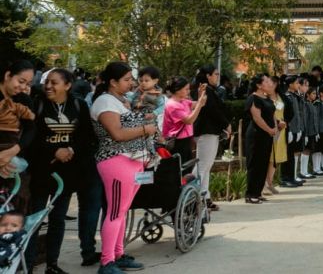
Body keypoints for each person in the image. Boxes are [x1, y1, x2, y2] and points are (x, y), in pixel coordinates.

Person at [27, 68, 102, 274]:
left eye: (54, 83)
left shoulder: (79, 105)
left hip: (67, 173)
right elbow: (31, 137)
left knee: (58, 220)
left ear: (67, 85)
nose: (48, 86)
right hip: (41, 172)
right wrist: (53, 150)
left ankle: (52, 264)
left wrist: (70, 149)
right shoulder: (38, 104)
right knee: (34, 220)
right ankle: (28, 266)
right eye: (47, 82)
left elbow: (87, 137)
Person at [90, 61, 155, 274]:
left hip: (133, 161)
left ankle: (118, 254)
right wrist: (145, 129)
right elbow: (117, 133)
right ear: (113, 82)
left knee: (122, 211)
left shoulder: (121, 101)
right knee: (116, 212)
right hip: (116, 161)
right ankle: (107, 262)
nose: (131, 83)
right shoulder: (105, 102)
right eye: (127, 79)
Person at [190, 65, 231, 212]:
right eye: (215, 74)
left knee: (206, 166)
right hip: (206, 131)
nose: (217, 77)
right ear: (208, 75)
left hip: (209, 131)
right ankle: (192, 195)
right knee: (202, 166)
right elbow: (213, 111)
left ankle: (205, 197)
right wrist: (226, 124)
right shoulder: (205, 89)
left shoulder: (207, 89)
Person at [244, 74, 281, 204]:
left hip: (267, 136)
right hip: (256, 135)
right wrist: (269, 130)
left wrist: (275, 127)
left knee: (263, 163)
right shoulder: (253, 98)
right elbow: (257, 118)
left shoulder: (267, 98)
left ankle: (258, 192)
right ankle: (250, 194)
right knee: (255, 163)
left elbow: (272, 115)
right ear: (259, 85)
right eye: (266, 81)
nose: (269, 83)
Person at [0, 60, 35, 180]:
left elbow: (31, 129)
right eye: (21, 81)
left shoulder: (24, 100)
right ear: (7, 75)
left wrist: (12, 152)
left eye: (28, 84)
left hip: (10, 159)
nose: (23, 87)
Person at [161, 77, 206, 164]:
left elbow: (200, 104)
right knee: (179, 168)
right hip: (178, 142)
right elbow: (189, 120)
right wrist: (200, 104)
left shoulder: (183, 101)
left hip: (185, 140)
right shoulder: (173, 105)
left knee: (186, 167)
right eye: (186, 89)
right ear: (177, 90)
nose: (188, 91)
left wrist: (200, 94)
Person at [265, 83, 288, 195]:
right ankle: (265, 184)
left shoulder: (280, 96)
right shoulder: (265, 97)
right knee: (269, 156)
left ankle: (270, 183)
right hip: (271, 127)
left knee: (276, 157)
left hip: (281, 128)